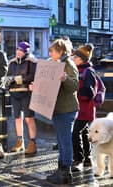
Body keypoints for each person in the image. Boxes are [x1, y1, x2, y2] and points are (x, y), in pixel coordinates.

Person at [46, 38, 79, 184]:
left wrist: (65, 78)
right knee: (61, 140)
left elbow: (74, 86)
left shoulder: (68, 64)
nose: (50, 53)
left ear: (60, 51)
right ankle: (61, 169)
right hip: (58, 108)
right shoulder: (56, 63)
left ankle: (66, 173)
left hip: (66, 109)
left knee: (65, 142)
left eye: (52, 51)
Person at [7, 42, 37, 154]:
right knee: (17, 118)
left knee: (29, 118)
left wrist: (18, 79)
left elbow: (33, 76)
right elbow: (8, 76)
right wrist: (8, 81)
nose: (18, 52)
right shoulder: (12, 62)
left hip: (26, 93)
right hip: (14, 92)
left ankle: (33, 143)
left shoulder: (32, 62)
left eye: (21, 50)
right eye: (17, 49)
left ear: (26, 51)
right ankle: (20, 142)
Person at [72, 43, 96, 171]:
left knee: (75, 133)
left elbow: (89, 93)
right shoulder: (79, 70)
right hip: (80, 109)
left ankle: (78, 160)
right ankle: (88, 158)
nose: (73, 59)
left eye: (75, 57)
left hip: (84, 109)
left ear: (81, 59)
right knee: (84, 132)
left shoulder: (88, 71)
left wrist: (75, 92)